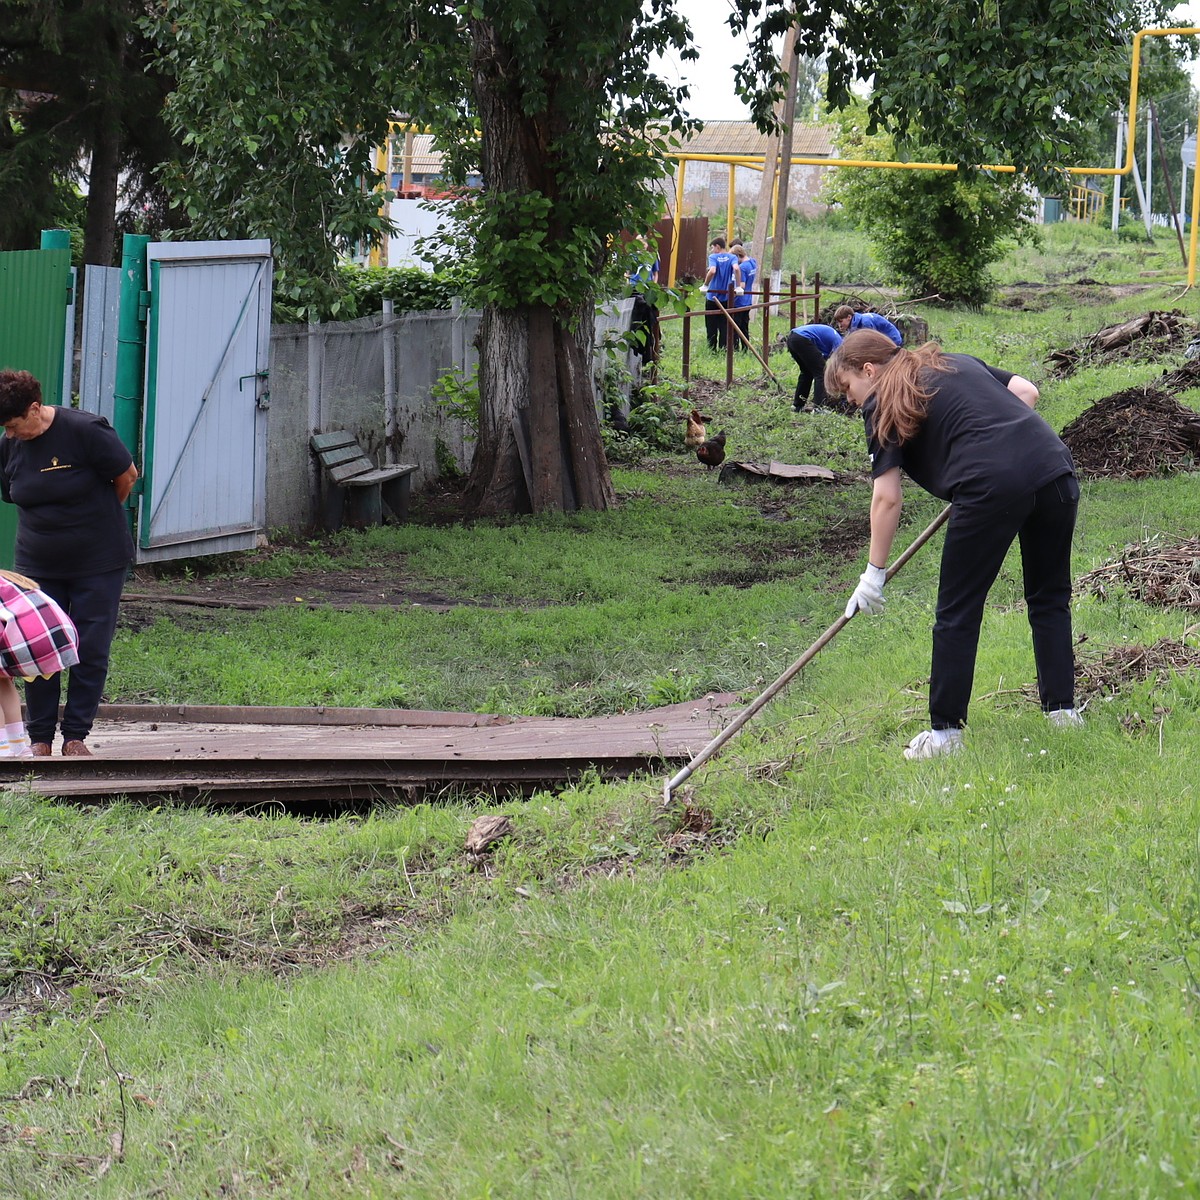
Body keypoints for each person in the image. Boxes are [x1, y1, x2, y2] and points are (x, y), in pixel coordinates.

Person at [826, 330, 1081, 761]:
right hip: (1054, 470)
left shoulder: (882, 402)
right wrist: (1000, 447)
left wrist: (873, 574)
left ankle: (945, 735)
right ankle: (1063, 714)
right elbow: (1026, 391)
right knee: (1049, 596)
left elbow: (887, 497)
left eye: (848, 388)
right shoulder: (953, 362)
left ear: (868, 370)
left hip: (990, 487)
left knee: (957, 611)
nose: (851, 400)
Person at [0, 370, 139, 757]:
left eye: (13, 425)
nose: (10, 434)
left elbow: (126, 476)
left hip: (99, 559)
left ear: (33, 408)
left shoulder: (85, 429)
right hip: (37, 564)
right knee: (36, 648)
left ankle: (76, 736)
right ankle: (40, 738)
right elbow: (12, 493)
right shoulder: (9, 446)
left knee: (91, 646)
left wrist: (95, 518)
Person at [0, 568, 80, 757]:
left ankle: (2, 748)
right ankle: (18, 746)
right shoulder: (6, 579)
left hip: (29, 637)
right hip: (51, 634)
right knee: (3, 683)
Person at [786, 323, 843, 411]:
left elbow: (820, 359)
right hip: (802, 338)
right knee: (822, 373)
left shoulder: (826, 341)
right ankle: (818, 408)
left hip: (792, 338)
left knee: (807, 373)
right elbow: (839, 361)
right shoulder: (839, 341)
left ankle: (797, 405)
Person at [702, 237, 742, 351]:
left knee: (711, 325)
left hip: (712, 297)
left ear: (717, 246)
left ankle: (712, 349)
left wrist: (705, 284)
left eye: (712, 248)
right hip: (725, 297)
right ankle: (724, 348)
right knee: (724, 325)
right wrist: (738, 286)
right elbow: (736, 269)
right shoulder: (732, 257)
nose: (712, 250)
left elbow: (712, 270)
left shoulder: (713, 257)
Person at [626, 238, 661, 365]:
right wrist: (628, 285)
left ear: (647, 244)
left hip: (647, 288)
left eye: (643, 243)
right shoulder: (632, 257)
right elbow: (627, 273)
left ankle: (654, 342)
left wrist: (653, 285)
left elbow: (655, 273)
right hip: (635, 287)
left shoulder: (652, 257)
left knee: (650, 312)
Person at [833, 305, 904, 346]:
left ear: (849, 317)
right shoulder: (855, 324)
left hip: (893, 340)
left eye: (841, 321)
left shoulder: (865, 322)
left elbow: (872, 341)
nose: (840, 325)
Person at [732, 245, 758, 352]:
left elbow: (741, 285)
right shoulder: (752, 262)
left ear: (738, 256)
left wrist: (732, 293)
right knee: (744, 326)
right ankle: (745, 348)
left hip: (739, 301)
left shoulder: (742, 267)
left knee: (736, 327)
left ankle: (735, 348)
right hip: (748, 300)